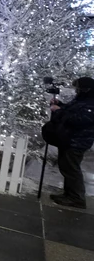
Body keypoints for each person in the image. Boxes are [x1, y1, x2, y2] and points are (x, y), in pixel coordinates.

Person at [47, 76, 94, 209]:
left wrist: (59, 111)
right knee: (66, 167)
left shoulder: (91, 103)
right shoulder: (82, 100)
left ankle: (77, 198)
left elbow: (78, 120)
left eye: (79, 88)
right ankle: (68, 194)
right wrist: (60, 104)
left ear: (86, 89)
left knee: (72, 169)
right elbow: (71, 110)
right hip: (69, 139)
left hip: (77, 141)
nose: (77, 91)